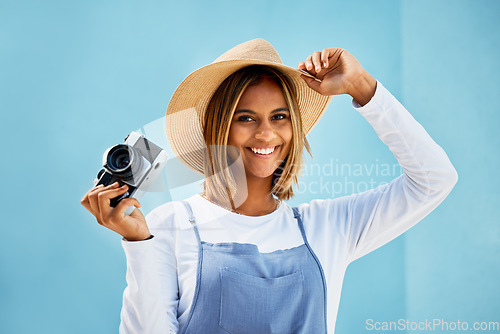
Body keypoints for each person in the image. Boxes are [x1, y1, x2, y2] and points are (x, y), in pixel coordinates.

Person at [81, 39, 458, 334]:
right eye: (245, 118)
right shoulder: (167, 225)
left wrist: (363, 88)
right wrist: (138, 246)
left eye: (279, 117)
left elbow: (434, 179)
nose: (266, 133)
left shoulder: (327, 228)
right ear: (217, 128)